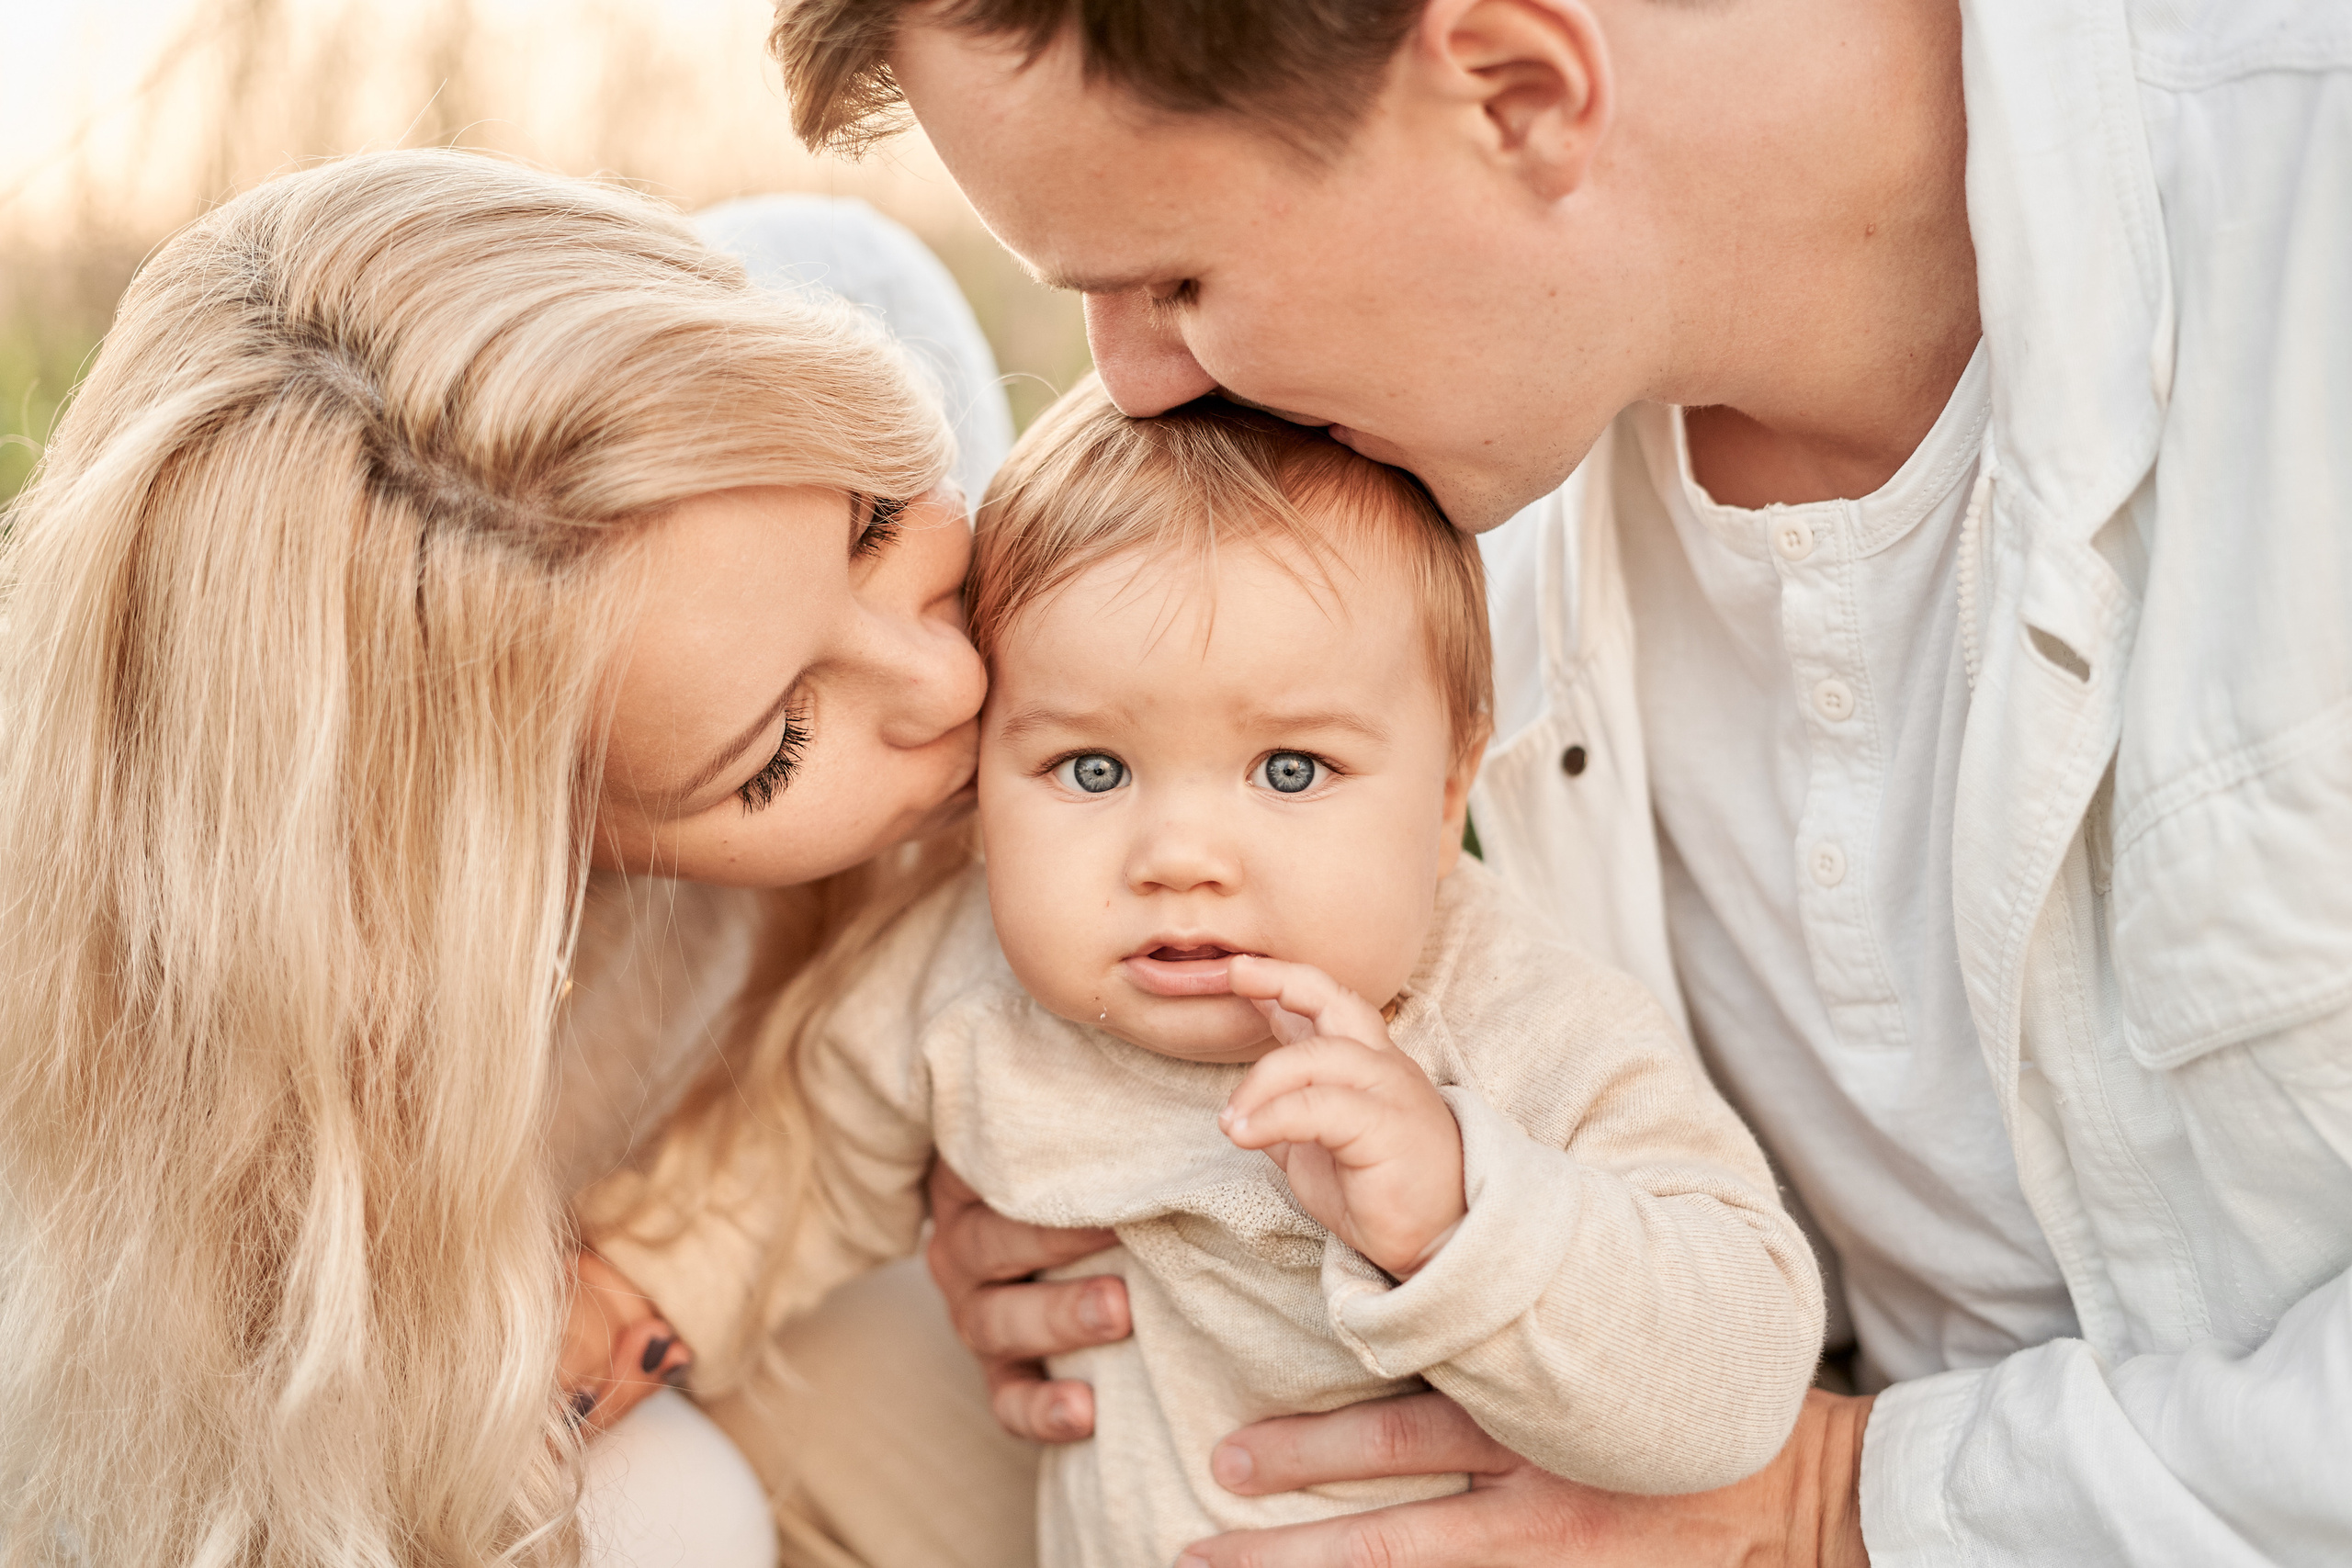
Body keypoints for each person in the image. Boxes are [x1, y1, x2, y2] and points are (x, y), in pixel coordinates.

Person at [763, 1, 2352, 1564]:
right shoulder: (1449, 441)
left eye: (1176, 278)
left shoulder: (2305, 209)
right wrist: (1090, 1218)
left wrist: (1844, 1501)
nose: (1134, 384)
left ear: (1519, 93)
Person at [596, 378, 1822, 1564]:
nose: (1179, 858)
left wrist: (1462, 1214)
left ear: (1450, 790)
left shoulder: (1510, 1025)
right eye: (1090, 769)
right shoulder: (963, 985)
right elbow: (799, 1149)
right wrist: (637, 1282)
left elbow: (1744, 1367)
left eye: (1290, 769)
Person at [0, 148, 1012, 1566]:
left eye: (879, 526)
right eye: (774, 752)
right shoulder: (204, 1088)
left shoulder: (849, 309)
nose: (950, 685)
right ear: (519, 861)